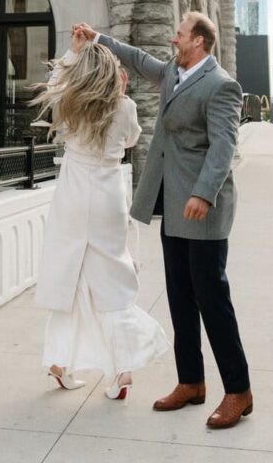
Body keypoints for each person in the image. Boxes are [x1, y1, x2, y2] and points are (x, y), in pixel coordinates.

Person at [73, 13, 253, 430]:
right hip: (172, 205)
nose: (173, 37)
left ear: (201, 42)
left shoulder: (221, 85)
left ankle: (239, 390)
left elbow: (224, 145)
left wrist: (203, 193)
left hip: (202, 209)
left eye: (181, 32)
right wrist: (96, 37)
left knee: (212, 300)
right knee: (180, 297)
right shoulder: (175, 71)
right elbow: (136, 59)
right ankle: (191, 381)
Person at [32, 30, 168, 399]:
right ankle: (122, 369)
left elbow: (56, 80)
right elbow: (131, 140)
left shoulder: (71, 100)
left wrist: (73, 54)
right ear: (113, 74)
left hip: (74, 197)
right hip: (109, 196)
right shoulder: (124, 108)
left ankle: (59, 362)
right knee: (112, 277)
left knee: (69, 277)